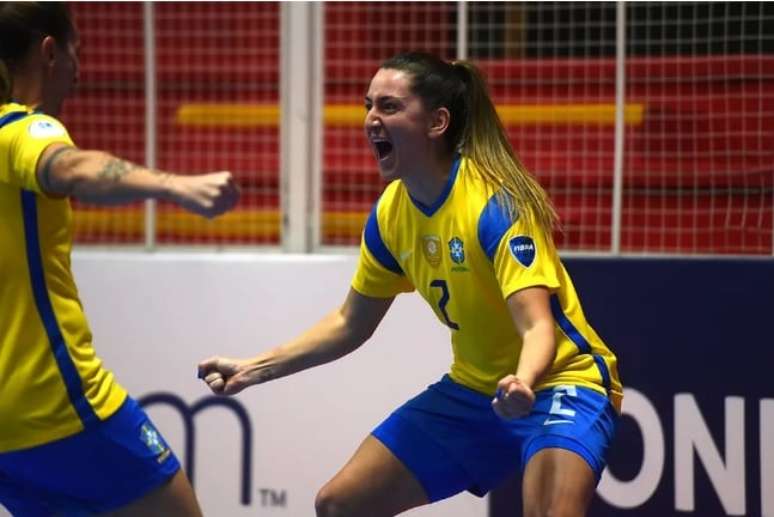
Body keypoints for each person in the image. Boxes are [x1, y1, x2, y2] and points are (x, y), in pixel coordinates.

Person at [199, 51, 622, 517]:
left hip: (560, 383)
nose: (371, 120)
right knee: (341, 504)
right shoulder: (390, 215)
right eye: (368, 105)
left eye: (389, 106)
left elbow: (537, 326)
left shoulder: (493, 205)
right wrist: (255, 368)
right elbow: (348, 323)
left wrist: (523, 382)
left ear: (437, 123)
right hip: (474, 393)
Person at [0, 3, 239, 516]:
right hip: (56, 403)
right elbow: (72, 167)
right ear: (48, 52)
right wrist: (176, 185)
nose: (78, 70)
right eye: (75, 53)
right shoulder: (19, 132)